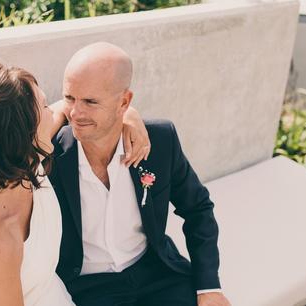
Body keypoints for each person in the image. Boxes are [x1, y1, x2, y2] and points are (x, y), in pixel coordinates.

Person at [0, 63, 150, 306]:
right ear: (20, 132)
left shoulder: (15, 159)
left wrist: (128, 114)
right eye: (45, 107)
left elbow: (68, 108)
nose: (58, 113)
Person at [49, 42, 231, 306]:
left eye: (90, 101)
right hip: (89, 288)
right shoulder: (49, 153)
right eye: (69, 98)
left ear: (124, 101)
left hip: (158, 274)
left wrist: (208, 287)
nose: (76, 113)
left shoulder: (160, 139)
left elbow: (198, 208)